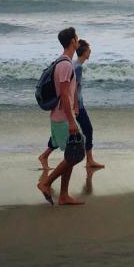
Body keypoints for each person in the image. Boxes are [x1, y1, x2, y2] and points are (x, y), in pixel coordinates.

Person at [37, 27, 85, 206]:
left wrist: (74, 106)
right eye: (76, 37)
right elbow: (64, 94)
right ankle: (45, 183)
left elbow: (67, 92)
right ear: (73, 41)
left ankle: (64, 195)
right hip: (63, 118)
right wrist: (72, 120)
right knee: (76, 153)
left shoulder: (62, 62)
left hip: (62, 115)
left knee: (71, 154)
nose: (78, 39)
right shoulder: (65, 64)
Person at [38, 39, 103, 169]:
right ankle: (89, 160)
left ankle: (44, 155)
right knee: (88, 130)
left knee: (61, 134)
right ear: (84, 52)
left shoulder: (74, 64)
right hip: (77, 106)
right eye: (89, 49)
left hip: (75, 105)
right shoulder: (77, 67)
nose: (90, 51)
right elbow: (72, 89)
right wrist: (76, 107)